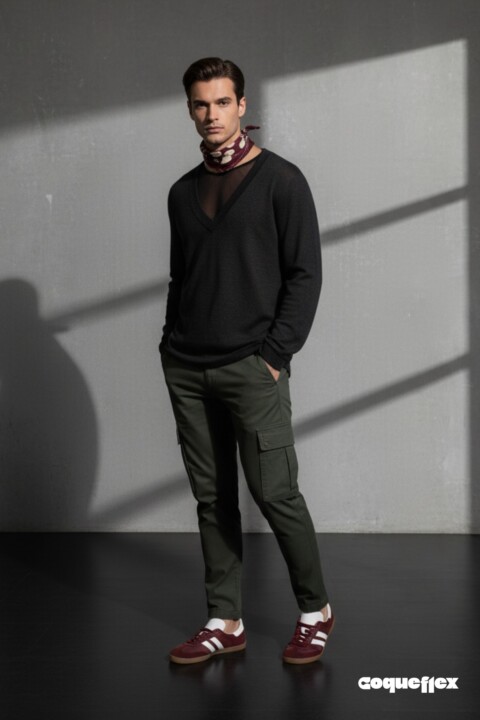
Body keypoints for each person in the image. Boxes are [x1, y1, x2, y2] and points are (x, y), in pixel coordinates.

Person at [160, 57, 334, 665]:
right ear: (190, 109)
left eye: (221, 102)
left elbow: (305, 274)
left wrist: (275, 355)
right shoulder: (182, 192)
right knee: (212, 499)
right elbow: (182, 277)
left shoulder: (282, 180)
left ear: (241, 105)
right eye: (200, 104)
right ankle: (224, 619)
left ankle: (315, 611)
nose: (211, 114)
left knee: (276, 493)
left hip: (252, 366)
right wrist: (169, 344)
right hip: (187, 367)